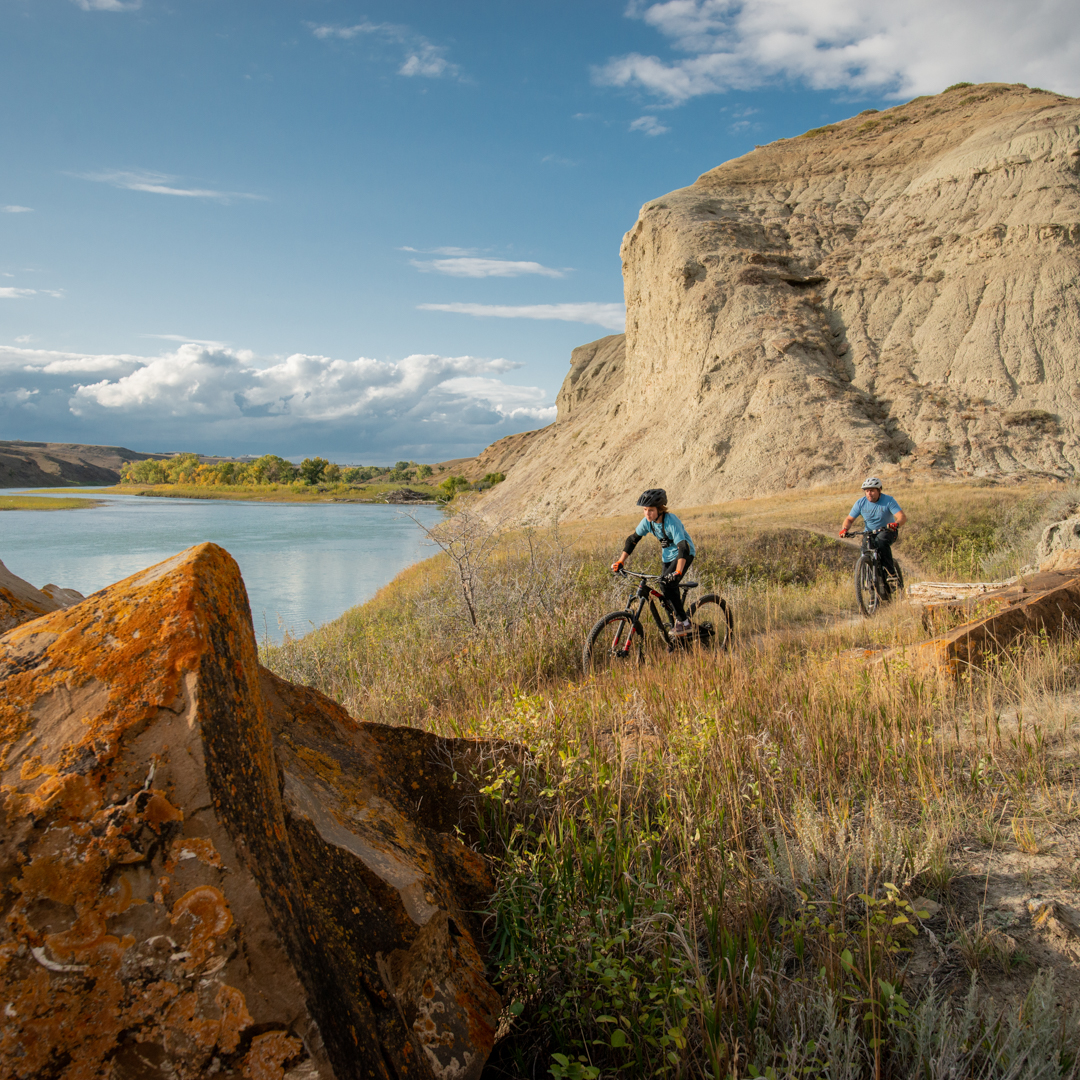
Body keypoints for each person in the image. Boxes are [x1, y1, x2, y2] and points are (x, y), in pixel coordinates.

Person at [611, 488, 696, 636]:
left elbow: (682, 547)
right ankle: (675, 633)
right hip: (668, 557)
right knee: (665, 592)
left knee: (667, 583)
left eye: (650, 510)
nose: (647, 513)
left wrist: (678, 572)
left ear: (660, 509)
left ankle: (684, 623)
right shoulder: (647, 522)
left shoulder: (671, 521)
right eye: (645, 510)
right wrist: (620, 561)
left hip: (685, 554)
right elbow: (632, 540)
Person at [839, 477, 907, 595]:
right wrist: (844, 529)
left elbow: (902, 517)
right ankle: (872, 592)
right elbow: (849, 519)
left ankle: (891, 574)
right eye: (866, 491)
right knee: (865, 552)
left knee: (881, 541)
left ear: (879, 490)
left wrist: (895, 524)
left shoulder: (889, 500)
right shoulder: (861, 503)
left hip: (888, 530)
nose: (869, 493)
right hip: (869, 533)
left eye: (872, 490)